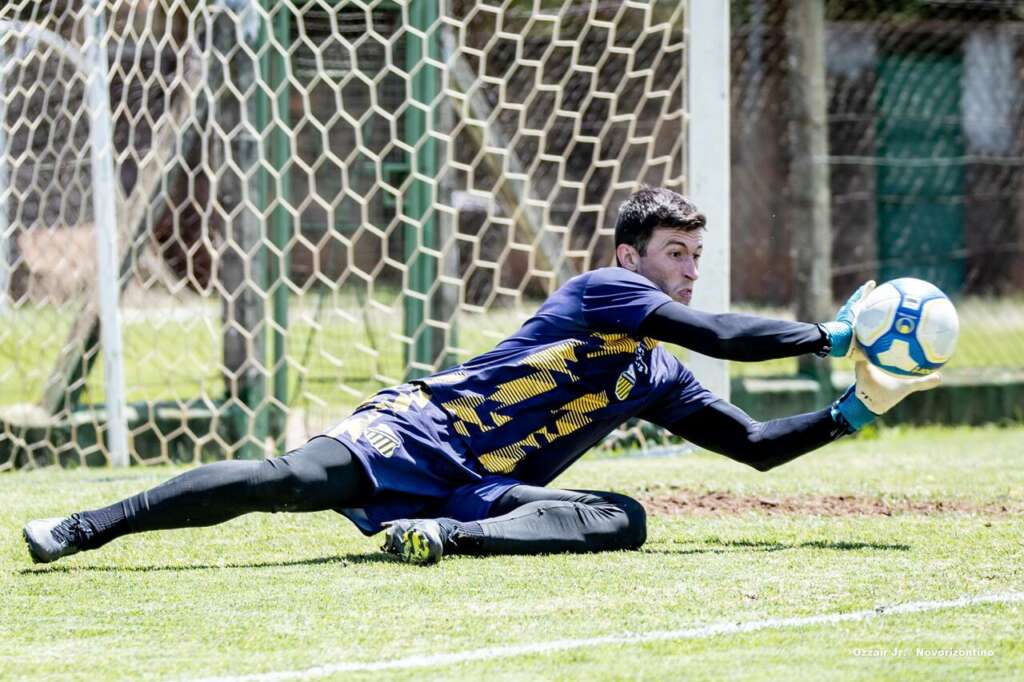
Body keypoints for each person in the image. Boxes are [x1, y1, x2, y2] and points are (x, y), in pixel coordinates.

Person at [22, 187, 940, 566]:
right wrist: (826, 334)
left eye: (698, 253)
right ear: (632, 254)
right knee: (283, 482)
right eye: (676, 251)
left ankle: (441, 539)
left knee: (626, 518)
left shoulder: (656, 374)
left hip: (482, 490)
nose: (690, 267)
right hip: (423, 432)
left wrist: (862, 405)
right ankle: (88, 525)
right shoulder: (608, 290)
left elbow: (757, 447)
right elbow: (723, 337)